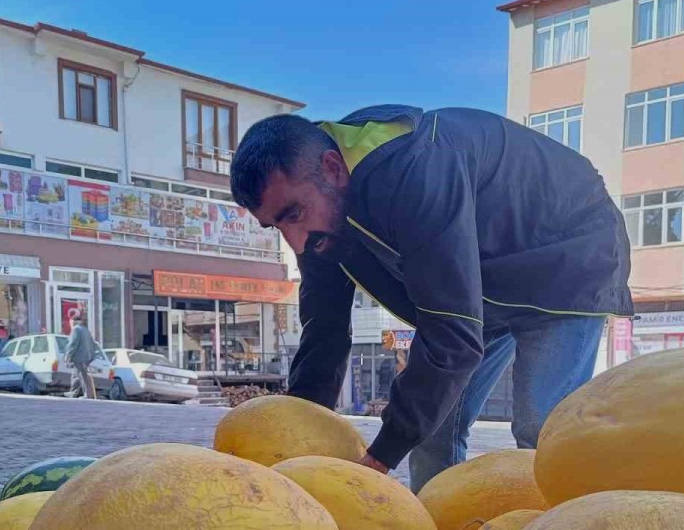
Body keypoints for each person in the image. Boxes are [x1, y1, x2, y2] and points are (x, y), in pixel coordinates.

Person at [230, 105, 633, 492]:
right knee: (433, 427)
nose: (294, 240)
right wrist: (296, 436)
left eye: (293, 214)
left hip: (568, 256)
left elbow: (450, 335)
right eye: (275, 225)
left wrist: (379, 458)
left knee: (540, 427)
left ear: (334, 169)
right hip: (486, 283)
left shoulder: (418, 172)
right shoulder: (318, 221)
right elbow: (325, 331)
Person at [64, 315, 100, 399]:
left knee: (82, 375)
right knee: (75, 375)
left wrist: (68, 355)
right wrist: (92, 356)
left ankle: (88, 394)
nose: (70, 325)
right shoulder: (86, 330)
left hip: (80, 357)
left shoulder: (76, 329)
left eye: (70, 322)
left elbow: (73, 344)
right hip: (87, 357)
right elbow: (93, 344)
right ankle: (73, 392)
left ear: (73, 322)